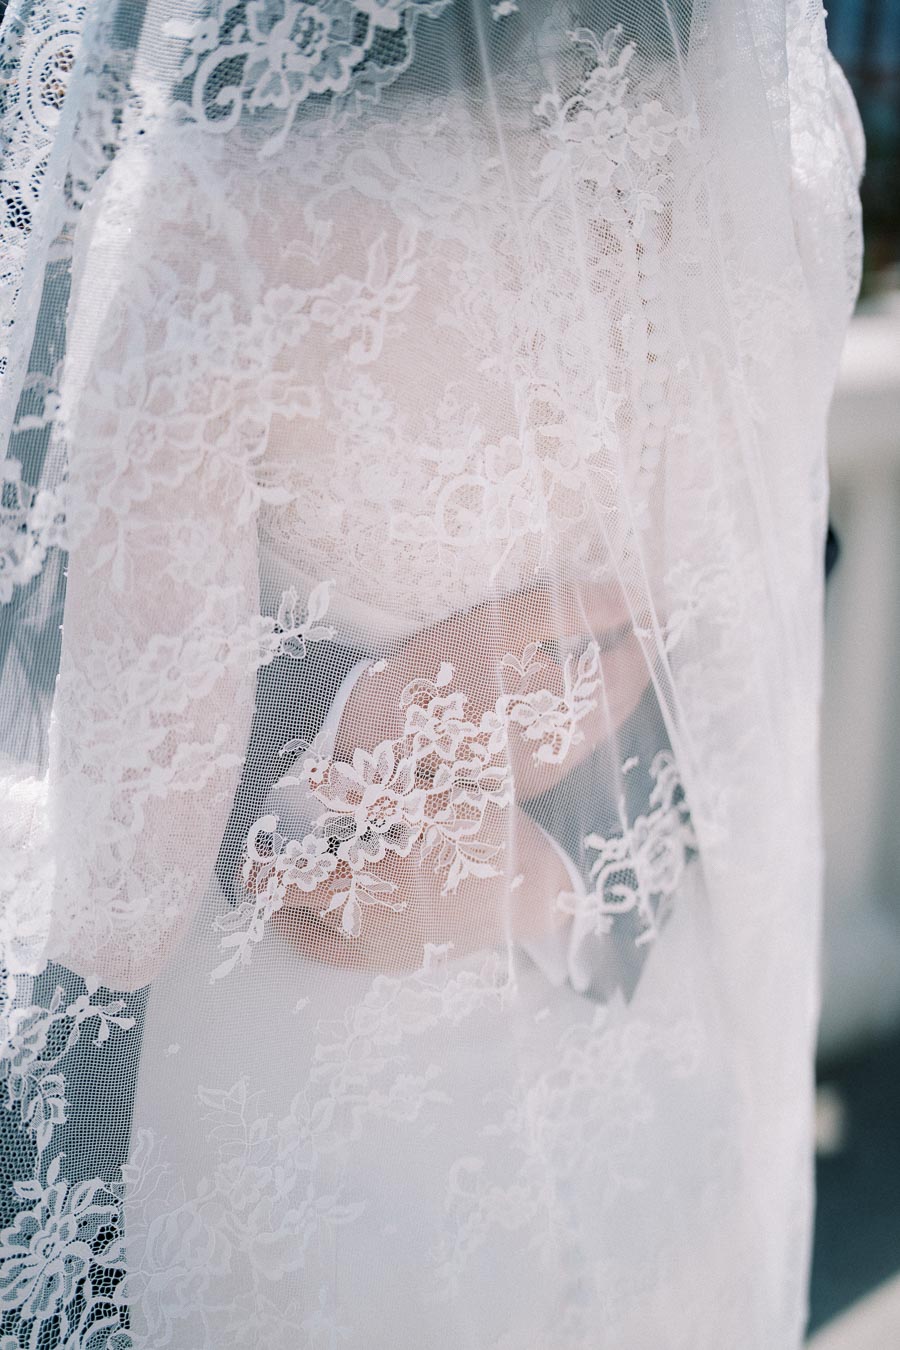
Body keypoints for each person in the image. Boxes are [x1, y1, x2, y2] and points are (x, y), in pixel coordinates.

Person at [0, 2, 863, 1347]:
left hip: (315, 1160)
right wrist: (531, 843)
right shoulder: (739, 151)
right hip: (652, 1129)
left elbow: (121, 882)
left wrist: (343, 757)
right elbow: (754, 610)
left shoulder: (212, 211)